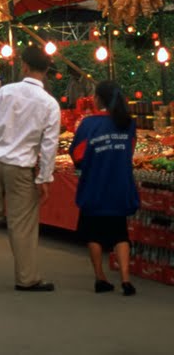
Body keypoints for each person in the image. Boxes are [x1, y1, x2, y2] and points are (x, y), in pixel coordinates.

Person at [0, 45, 61, 292]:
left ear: (24, 66)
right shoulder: (49, 104)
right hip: (21, 168)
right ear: (46, 70)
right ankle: (26, 278)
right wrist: (45, 177)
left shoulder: (5, 92)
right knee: (21, 223)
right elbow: (49, 144)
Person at [70, 80, 139, 296]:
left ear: (97, 99)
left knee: (95, 234)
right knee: (120, 233)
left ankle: (101, 278)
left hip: (95, 185)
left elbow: (77, 155)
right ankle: (126, 280)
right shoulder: (127, 124)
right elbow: (130, 151)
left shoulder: (88, 125)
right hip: (120, 185)